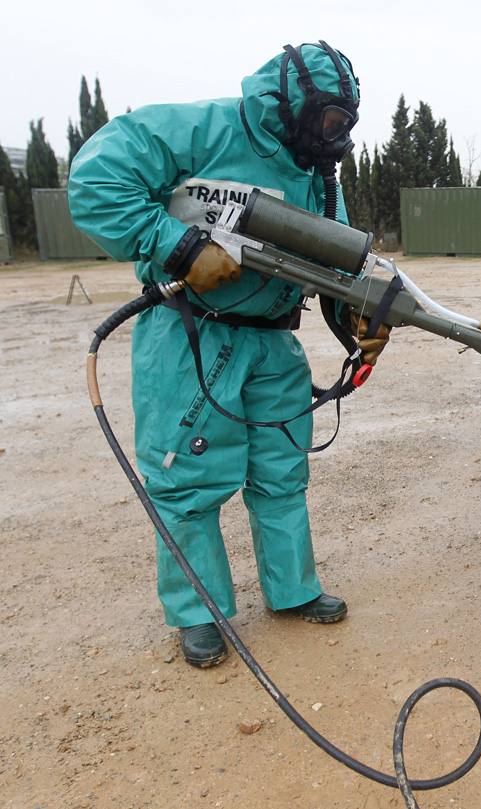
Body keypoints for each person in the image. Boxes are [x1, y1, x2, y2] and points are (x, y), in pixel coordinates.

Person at [68, 42, 389, 668]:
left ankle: (293, 592)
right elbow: (95, 178)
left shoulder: (315, 172)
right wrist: (179, 247)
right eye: (327, 121)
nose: (334, 136)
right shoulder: (200, 129)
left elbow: (335, 258)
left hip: (273, 340)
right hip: (192, 334)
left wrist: (359, 316)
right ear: (291, 104)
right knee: (186, 480)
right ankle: (200, 612)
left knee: (281, 471)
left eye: (343, 124)